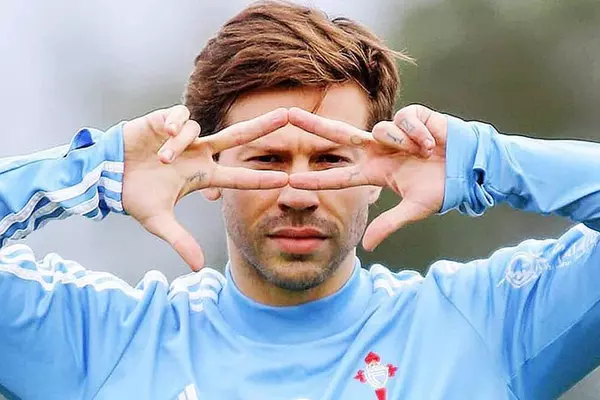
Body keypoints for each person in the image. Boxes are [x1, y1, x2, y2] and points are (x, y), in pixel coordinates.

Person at [1, 2, 599, 399]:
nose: (297, 194)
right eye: (267, 160)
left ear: (377, 178)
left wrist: (487, 162)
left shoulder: (486, 326)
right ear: (209, 176)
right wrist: (94, 171)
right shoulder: (98, 342)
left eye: (331, 160)